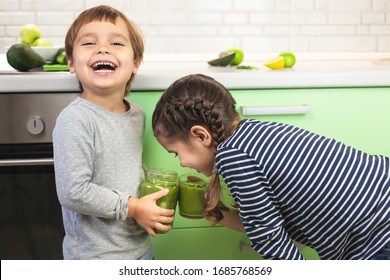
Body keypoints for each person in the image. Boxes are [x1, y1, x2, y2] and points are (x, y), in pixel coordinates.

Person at [151, 73, 390, 260]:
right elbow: (263, 224)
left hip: (377, 237)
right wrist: (213, 209)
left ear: (201, 136)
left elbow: (271, 240)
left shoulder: (234, 157)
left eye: (176, 154)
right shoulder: (253, 133)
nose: (182, 163)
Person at [53, 5, 174, 260]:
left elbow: (125, 168)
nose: (103, 49)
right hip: (95, 258)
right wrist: (134, 207)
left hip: (139, 250)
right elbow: (74, 192)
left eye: (117, 43)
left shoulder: (137, 114)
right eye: (89, 43)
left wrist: (148, 203)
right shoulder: (75, 119)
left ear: (136, 63)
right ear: (71, 63)